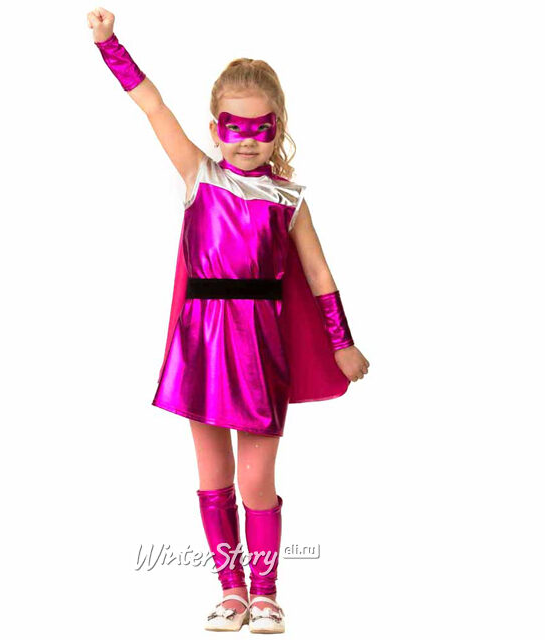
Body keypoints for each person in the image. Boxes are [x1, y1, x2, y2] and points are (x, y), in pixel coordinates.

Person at [88, 6, 370, 633]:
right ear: (215, 129)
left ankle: (266, 593)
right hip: (200, 343)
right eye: (233, 126)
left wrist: (341, 343)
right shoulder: (199, 175)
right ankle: (231, 591)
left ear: (278, 129)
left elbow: (318, 274)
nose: (246, 139)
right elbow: (152, 104)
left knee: (256, 478)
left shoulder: (288, 199)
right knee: (212, 475)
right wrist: (111, 44)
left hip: (260, 345)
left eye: (260, 128)